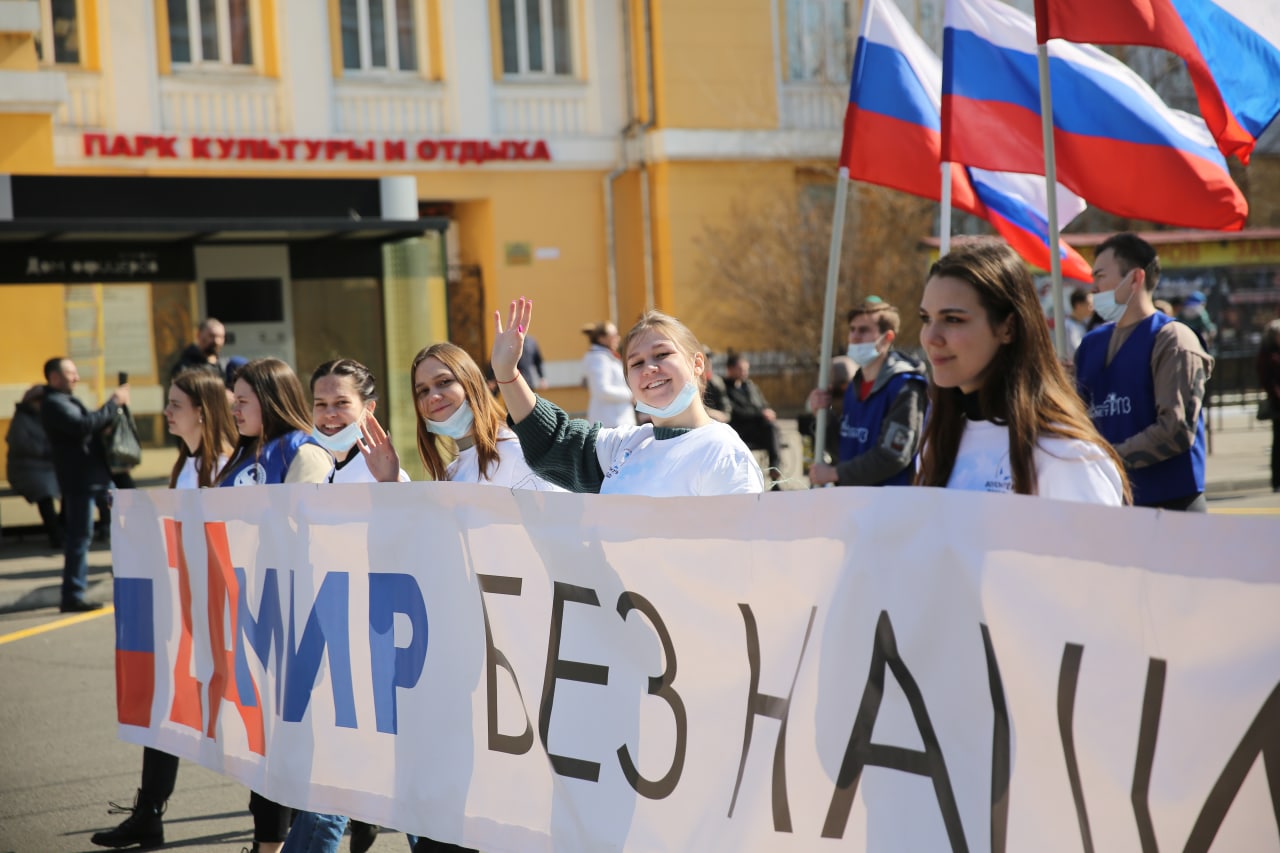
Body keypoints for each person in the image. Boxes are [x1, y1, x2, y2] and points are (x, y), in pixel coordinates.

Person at [90, 366, 239, 850]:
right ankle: (149, 813)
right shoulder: (190, 463)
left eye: (175, 404)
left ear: (202, 410)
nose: (166, 412)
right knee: (165, 708)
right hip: (187, 613)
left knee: (249, 724)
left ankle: (317, 818)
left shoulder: (227, 466)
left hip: (221, 620)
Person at [218, 357, 333, 853]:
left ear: (270, 400)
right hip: (250, 617)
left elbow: (297, 535)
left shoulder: (303, 453)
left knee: (297, 748)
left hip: (294, 620)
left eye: (243, 400)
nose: (235, 409)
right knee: (262, 744)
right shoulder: (241, 457)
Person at [916, 241, 1129, 504]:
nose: (931, 338)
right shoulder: (937, 441)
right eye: (926, 319)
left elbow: (1102, 544)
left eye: (953, 319)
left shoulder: (1064, 454)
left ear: (1008, 328)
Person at [492, 299, 764, 496]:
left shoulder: (722, 451)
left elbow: (741, 557)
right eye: (636, 363)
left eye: (662, 354)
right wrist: (507, 373)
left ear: (697, 364)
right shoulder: (626, 446)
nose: (649, 369)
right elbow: (555, 443)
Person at [1075, 233, 1212, 511]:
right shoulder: (1091, 343)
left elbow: (1175, 429)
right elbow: (1076, 418)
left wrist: (1108, 457)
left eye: (1100, 276)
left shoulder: (1172, 339)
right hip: (1112, 501)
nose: (1094, 287)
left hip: (1170, 505)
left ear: (1135, 278)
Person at [806, 298, 927, 488]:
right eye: (852, 329)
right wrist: (823, 415)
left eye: (863, 330)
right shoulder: (854, 386)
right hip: (853, 501)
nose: (854, 337)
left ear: (887, 338)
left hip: (887, 504)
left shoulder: (904, 386)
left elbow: (893, 456)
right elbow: (847, 449)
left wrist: (835, 473)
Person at [40, 357, 128, 612]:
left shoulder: (65, 401)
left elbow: (90, 425)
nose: (77, 378)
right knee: (80, 538)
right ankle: (72, 595)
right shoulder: (54, 404)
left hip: (97, 477)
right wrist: (113, 403)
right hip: (81, 482)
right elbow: (83, 426)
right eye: (71, 373)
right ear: (54, 377)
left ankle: (126, 579)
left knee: (122, 528)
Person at [310, 358, 409, 485]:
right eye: (321, 404)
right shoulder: (330, 475)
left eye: (342, 402)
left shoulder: (385, 474)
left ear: (369, 408)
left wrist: (391, 482)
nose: (330, 414)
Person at [5, 385, 61, 549]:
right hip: (25, 470)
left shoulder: (48, 418)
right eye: (38, 401)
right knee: (43, 491)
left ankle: (64, 528)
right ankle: (55, 534)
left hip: (48, 468)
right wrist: (47, 451)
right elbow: (21, 445)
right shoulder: (21, 420)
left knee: (72, 484)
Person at [724, 352, 783, 486]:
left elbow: (762, 404)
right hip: (741, 430)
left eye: (746, 369)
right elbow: (734, 412)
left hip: (760, 428)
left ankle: (775, 472)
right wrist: (761, 414)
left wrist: (767, 412)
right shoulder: (725, 388)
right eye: (740, 369)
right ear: (730, 369)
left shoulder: (750, 386)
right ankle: (775, 471)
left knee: (771, 429)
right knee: (771, 430)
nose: (744, 373)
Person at [580, 321, 635, 428]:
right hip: (610, 424)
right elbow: (601, 390)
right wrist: (631, 395)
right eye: (614, 335)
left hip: (618, 421)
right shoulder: (598, 358)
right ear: (601, 338)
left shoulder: (607, 357)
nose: (618, 338)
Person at [1258, 318, 1280, 492]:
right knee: (1278, 443)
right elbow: (1266, 379)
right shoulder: (1267, 355)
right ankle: (1277, 480)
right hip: (1277, 404)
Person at [701, 348, 732, 423]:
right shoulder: (690, 382)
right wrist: (710, 413)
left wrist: (725, 416)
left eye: (709, 358)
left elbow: (725, 405)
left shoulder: (717, 381)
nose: (708, 362)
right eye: (704, 359)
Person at [1064, 288, 1094, 354]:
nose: (1092, 309)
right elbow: (1074, 351)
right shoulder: (1068, 326)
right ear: (1078, 306)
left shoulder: (1085, 323)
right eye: (1090, 305)